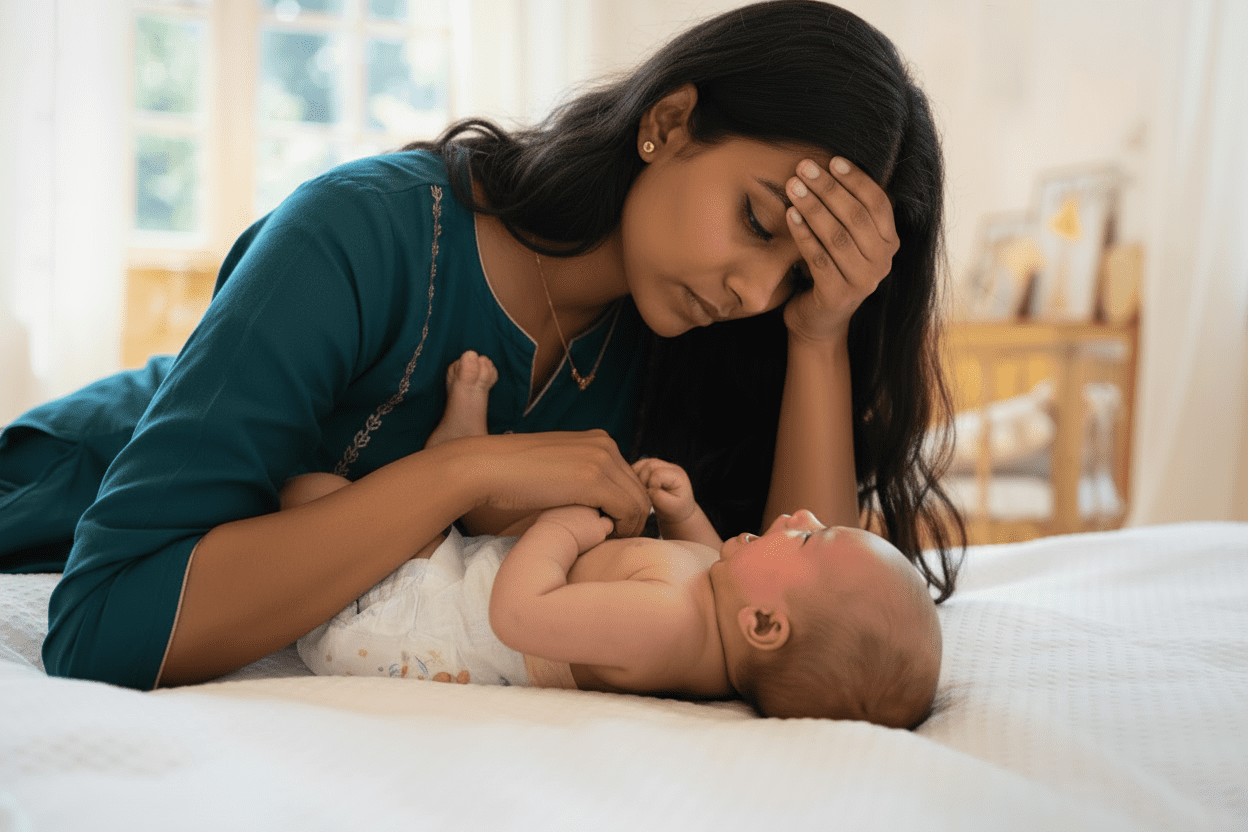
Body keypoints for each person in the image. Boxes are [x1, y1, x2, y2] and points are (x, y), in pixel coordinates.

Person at [0, 0, 962, 690]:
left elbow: (796, 629)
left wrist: (818, 332)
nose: (755, 291)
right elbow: (103, 628)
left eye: (797, 275)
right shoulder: (361, 232)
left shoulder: (692, 342)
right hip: (78, 493)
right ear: (668, 123)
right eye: (758, 223)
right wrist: (466, 475)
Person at [290, 352, 942, 726]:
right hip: (468, 569)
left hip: (416, 619)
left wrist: (565, 527)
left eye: (809, 541)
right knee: (498, 515)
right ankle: (461, 461)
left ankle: (458, 466)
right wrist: (682, 510)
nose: (800, 515)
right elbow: (713, 559)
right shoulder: (718, 602)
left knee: (311, 497)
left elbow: (517, 614)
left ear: (765, 625)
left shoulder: (667, 627)